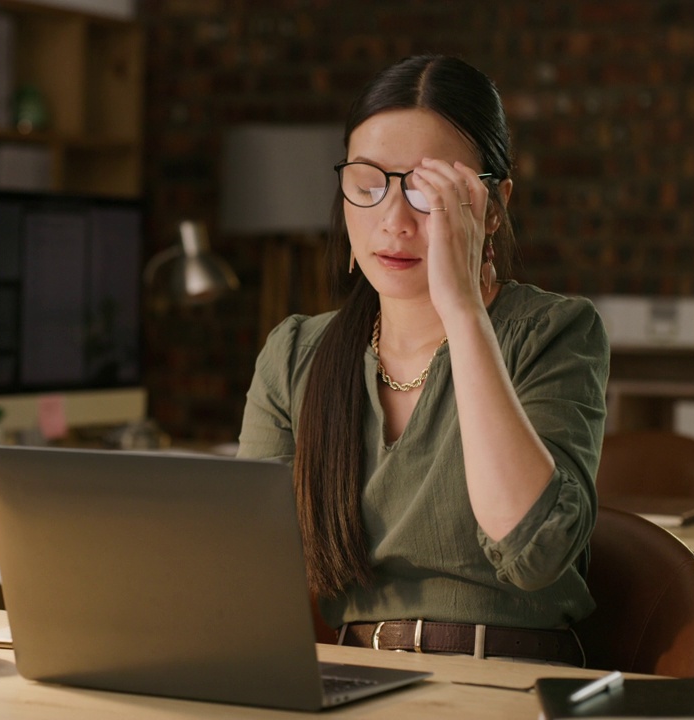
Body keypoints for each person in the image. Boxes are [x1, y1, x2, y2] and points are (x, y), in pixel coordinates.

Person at [236, 54, 609, 666]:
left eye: (426, 189)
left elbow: (535, 550)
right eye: (368, 184)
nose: (395, 219)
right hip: (355, 675)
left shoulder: (553, 331)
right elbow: (248, 565)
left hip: (506, 678)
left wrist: (462, 309)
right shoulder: (297, 353)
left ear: (493, 205)